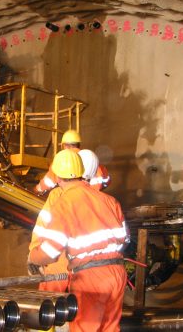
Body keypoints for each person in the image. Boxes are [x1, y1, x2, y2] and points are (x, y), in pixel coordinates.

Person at [28, 149, 128, 332]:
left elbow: (50, 252)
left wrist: (34, 258)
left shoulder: (64, 203)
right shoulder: (109, 201)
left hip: (91, 279)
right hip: (117, 273)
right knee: (110, 329)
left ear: (57, 176)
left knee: (84, 328)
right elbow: (125, 238)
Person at [28, 148, 102, 293]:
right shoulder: (101, 200)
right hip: (89, 270)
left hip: (58, 262)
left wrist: (34, 255)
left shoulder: (58, 196)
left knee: (49, 307)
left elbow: (42, 227)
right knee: (81, 310)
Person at [34, 129, 81, 195]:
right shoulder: (88, 156)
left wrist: (38, 189)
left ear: (65, 145)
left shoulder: (62, 158)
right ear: (78, 144)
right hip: (88, 195)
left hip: (70, 196)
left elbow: (50, 180)